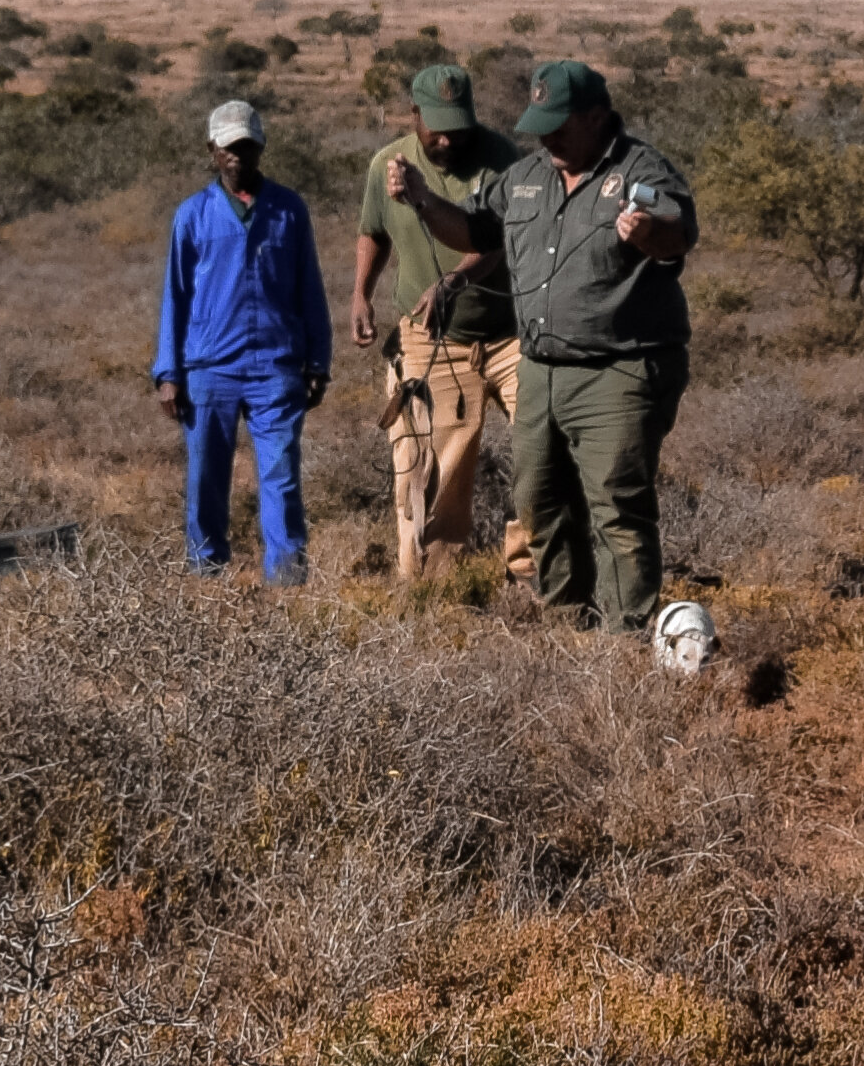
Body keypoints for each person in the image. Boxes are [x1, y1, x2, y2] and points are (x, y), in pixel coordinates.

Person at [387, 60, 704, 646]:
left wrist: (648, 235)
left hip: (620, 367)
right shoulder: (527, 176)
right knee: (538, 498)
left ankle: (624, 638)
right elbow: (475, 233)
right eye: (539, 125)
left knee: (615, 502)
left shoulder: (640, 169)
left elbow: (678, 233)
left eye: (560, 124)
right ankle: (567, 623)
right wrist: (424, 201)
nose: (547, 137)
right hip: (541, 366)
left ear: (597, 117)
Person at [354, 64, 524, 584]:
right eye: (437, 127)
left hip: (512, 334)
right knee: (435, 470)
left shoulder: (504, 164)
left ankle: (535, 571)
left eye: (458, 125)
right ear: (415, 116)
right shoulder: (388, 164)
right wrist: (360, 292)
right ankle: (436, 590)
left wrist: (452, 283)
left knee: (549, 446)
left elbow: (493, 242)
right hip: (434, 342)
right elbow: (373, 232)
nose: (447, 138)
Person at [153, 99, 330, 582]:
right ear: (212, 151)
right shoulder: (192, 216)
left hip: (277, 365)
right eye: (228, 147)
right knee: (207, 479)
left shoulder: (289, 210)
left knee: (281, 478)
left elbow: (309, 287)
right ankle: (206, 580)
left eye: (246, 146)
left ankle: (288, 582)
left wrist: (319, 360)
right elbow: (175, 296)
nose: (237, 155)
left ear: (261, 148)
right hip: (208, 369)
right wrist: (168, 373)